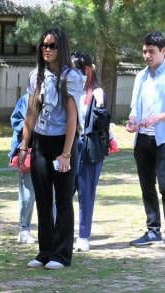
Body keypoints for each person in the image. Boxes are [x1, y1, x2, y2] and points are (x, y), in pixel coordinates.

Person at [18, 27, 83, 270]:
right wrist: (24, 145)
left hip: (63, 141)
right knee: (43, 198)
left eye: (52, 46)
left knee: (63, 199)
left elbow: (72, 118)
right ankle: (45, 251)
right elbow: (31, 112)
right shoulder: (37, 75)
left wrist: (66, 153)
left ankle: (61, 254)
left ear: (61, 48)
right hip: (41, 141)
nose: (47, 49)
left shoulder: (71, 76)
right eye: (44, 45)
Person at [125, 31, 165, 250]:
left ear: (163, 51)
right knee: (146, 186)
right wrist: (132, 121)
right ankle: (153, 230)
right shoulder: (140, 76)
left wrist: (159, 117)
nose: (147, 56)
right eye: (144, 51)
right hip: (143, 139)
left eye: (151, 51)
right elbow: (135, 107)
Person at [72, 52, 107, 252]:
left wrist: (100, 105)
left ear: (87, 70)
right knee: (63, 192)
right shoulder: (69, 92)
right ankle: (61, 233)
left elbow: (101, 125)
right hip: (69, 146)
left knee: (86, 193)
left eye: (77, 69)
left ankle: (84, 236)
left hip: (90, 148)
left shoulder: (97, 93)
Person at [8, 94, 36, 244]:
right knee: (27, 193)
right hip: (29, 151)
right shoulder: (25, 100)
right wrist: (30, 125)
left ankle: (52, 228)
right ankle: (24, 229)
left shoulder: (55, 97)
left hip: (49, 151)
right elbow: (16, 121)